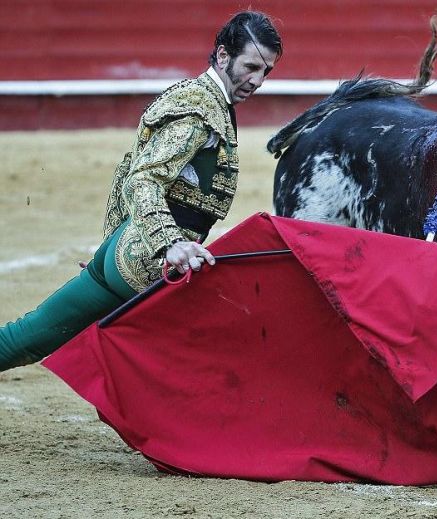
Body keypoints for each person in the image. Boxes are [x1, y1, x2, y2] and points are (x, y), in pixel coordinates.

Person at [0, 11, 282, 371]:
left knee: (27, 337)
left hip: (128, 251)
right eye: (251, 67)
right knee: (223, 350)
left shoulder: (197, 97)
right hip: (151, 265)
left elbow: (130, 167)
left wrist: (114, 240)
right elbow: (143, 179)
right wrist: (169, 243)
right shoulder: (201, 112)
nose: (257, 80)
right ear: (224, 56)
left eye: (265, 71)